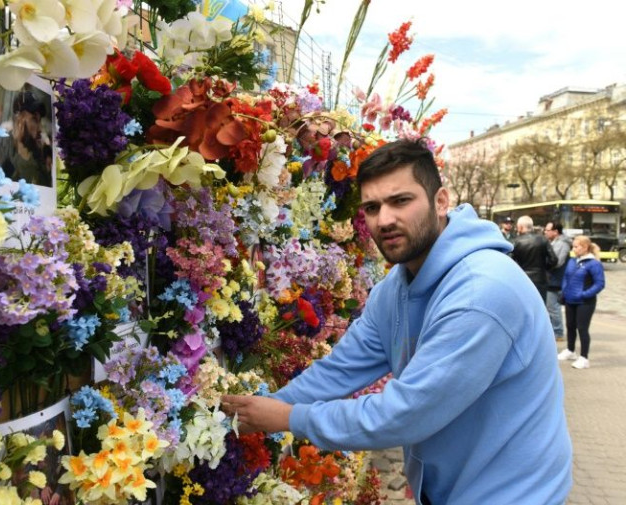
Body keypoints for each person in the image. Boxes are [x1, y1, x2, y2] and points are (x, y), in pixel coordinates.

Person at [222, 139, 572, 504]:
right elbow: (342, 368)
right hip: (452, 488)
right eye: (372, 207)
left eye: (400, 201)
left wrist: (289, 417)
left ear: (440, 201)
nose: (385, 219)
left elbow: (405, 414)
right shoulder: (397, 285)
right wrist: (257, 411)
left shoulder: (479, 294)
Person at [558, 235, 606, 369]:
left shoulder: (594, 264)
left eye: (576, 246)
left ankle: (584, 358)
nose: (573, 249)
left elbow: (600, 284)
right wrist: (564, 291)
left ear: (585, 247)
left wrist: (583, 294)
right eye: (573, 246)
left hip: (585, 302)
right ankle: (570, 350)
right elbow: (566, 278)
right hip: (570, 300)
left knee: (582, 328)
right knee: (570, 326)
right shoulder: (572, 261)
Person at [511, 215, 558, 301]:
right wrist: (543, 268)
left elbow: (510, 262)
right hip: (541, 279)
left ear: (520, 227)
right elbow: (554, 260)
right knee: (540, 307)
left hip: (523, 279)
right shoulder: (543, 239)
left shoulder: (516, 242)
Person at [544, 222, 572, 340]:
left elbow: (557, 262)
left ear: (555, 232)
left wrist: (544, 263)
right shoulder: (554, 242)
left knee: (553, 307)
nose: (545, 232)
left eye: (547, 230)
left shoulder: (562, 244)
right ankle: (554, 330)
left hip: (556, 280)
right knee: (551, 307)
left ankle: (558, 332)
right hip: (552, 279)